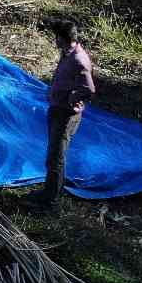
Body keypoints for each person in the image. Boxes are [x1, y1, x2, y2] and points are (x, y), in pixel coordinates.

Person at [35, 19, 95, 210]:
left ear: (62, 38)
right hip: (57, 108)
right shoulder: (67, 54)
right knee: (54, 155)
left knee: (56, 157)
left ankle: (50, 200)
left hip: (65, 114)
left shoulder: (79, 59)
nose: (54, 40)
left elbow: (89, 89)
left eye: (56, 37)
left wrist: (71, 99)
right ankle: (52, 190)